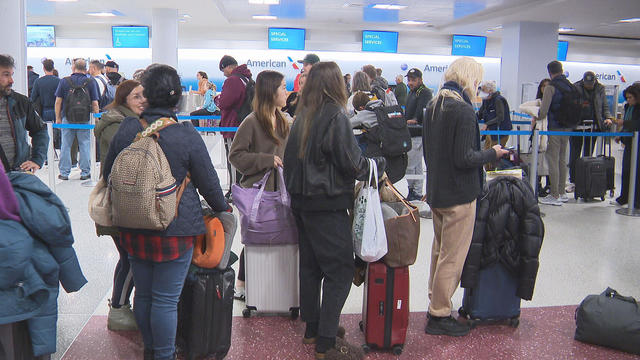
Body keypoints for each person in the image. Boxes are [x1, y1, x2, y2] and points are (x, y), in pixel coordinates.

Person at [101, 64, 231, 360]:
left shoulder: (128, 129)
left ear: (146, 94)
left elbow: (108, 173)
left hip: (133, 225)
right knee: (166, 300)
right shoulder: (186, 134)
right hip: (176, 228)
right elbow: (210, 185)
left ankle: (151, 350)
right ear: (178, 99)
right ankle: (163, 354)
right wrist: (223, 209)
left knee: (145, 294)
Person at [284, 61, 385, 360]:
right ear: (336, 85)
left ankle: (313, 329)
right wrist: (376, 167)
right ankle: (326, 344)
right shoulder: (335, 116)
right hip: (327, 204)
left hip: (302, 203)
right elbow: (352, 163)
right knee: (341, 270)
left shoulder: (303, 116)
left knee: (311, 268)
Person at [422, 57, 509, 337]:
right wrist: (492, 154)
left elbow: (429, 154)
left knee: (439, 252)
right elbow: (465, 157)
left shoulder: (433, 106)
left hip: (437, 192)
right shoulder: (463, 110)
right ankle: (440, 314)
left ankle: (435, 302)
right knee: (452, 256)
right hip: (459, 195)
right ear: (469, 78)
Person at [229, 70, 291, 302]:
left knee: (278, 235)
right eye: (283, 87)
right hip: (258, 193)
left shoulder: (284, 121)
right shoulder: (252, 122)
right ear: (270, 91)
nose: (287, 92)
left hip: (281, 192)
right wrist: (266, 160)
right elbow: (236, 156)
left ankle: (272, 283)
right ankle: (243, 283)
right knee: (255, 236)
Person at [94, 79, 147, 331]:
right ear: (124, 98)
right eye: (137, 96)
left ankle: (122, 306)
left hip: (128, 200)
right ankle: (118, 308)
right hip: (121, 202)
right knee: (130, 257)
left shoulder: (131, 121)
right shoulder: (118, 126)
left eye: (144, 95)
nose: (142, 100)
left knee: (129, 256)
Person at [567, 71, 614, 192]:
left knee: (588, 154)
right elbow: (570, 105)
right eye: (587, 84)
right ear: (583, 81)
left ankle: (586, 179)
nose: (589, 86)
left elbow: (604, 106)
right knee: (575, 154)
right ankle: (574, 180)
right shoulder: (575, 87)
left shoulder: (600, 88)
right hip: (577, 126)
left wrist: (608, 117)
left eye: (591, 83)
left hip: (594, 126)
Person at [0, 54, 48, 172]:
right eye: (6, 75)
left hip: (17, 174)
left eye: (11, 75)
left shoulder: (21, 102)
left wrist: (37, 159)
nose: (11, 80)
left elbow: (40, 130)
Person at [54, 58, 99, 181]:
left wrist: (58, 118)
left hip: (67, 118)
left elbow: (58, 102)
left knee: (66, 145)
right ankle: (85, 173)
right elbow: (95, 103)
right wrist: (97, 119)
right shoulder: (91, 82)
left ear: (74, 67)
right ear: (86, 69)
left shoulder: (64, 81)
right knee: (84, 144)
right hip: (84, 119)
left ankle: (64, 172)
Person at [537, 61, 574, 206]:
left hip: (555, 127)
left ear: (549, 72)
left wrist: (536, 116)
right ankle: (562, 192)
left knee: (552, 159)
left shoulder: (551, 87)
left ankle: (554, 194)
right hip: (568, 127)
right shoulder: (570, 86)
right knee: (562, 160)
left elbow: (544, 111)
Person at [216, 55, 253, 200]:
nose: (223, 73)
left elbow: (224, 102)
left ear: (229, 66)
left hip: (233, 125)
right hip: (244, 124)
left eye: (223, 69)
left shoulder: (232, 80)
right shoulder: (247, 79)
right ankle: (242, 188)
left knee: (233, 159)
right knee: (243, 158)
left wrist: (216, 99)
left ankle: (234, 191)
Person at [405, 68, 432, 201]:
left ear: (420, 80)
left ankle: (414, 191)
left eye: (413, 80)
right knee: (416, 165)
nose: (410, 82)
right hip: (410, 133)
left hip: (418, 133)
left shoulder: (425, 92)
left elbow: (423, 109)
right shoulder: (411, 92)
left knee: (410, 164)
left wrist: (415, 119)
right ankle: (415, 192)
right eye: (409, 80)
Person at [612, 84, 640, 208]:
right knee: (627, 170)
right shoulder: (629, 107)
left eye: (630, 97)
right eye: (627, 98)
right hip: (629, 143)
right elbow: (628, 124)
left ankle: (636, 200)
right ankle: (624, 197)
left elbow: (636, 124)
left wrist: (624, 123)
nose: (628, 100)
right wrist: (621, 134)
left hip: (637, 144)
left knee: (636, 172)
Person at [477, 80, 513, 171]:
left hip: (500, 131)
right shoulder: (486, 101)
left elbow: (500, 117)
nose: (481, 92)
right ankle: (488, 172)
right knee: (486, 152)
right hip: (490, 131)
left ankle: (493, 173)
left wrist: (487, 124)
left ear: (490, 91)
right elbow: (480, 114)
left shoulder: (499, 100)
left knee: (494, 154)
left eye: (483, 90)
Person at [30, 58, 60, 123]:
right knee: (58, 131)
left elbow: (32, 98)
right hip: (57, 111)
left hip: (44, 111)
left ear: (43, 68)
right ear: (53, 68)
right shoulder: (59, 81)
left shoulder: (38, 81)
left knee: (46, 131)